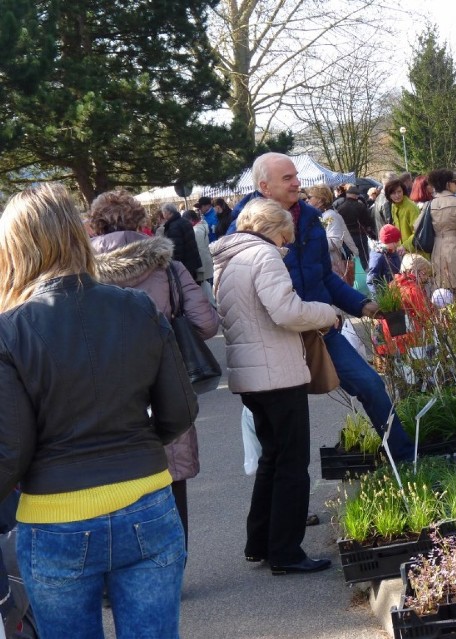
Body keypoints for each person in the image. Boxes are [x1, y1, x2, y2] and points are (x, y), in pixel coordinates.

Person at [0, 183, 197, 638]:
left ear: (16, 248)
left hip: (55, 519)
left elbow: (10, 448)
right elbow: (179, 412)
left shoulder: (11, 331)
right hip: (146, 501)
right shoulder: (138, 307)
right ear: (75, 233)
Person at [226, 153, 416, 462]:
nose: (296, 182)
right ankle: (286, 508)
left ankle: (405, 458)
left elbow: (323, 276)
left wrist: (362, 304)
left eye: (295, 176)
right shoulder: (246, 227)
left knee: (369, 384)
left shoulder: (310, 218)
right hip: (277, 340)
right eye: (287, 178)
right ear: (264, 185)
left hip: (321, 331)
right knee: (285, 434)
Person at [212, 197, 338, 575]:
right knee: (292, 463)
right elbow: (286, 311)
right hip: (275, 373)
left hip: (251, 376)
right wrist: (326, 312)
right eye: (285, 235)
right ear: (272, 230)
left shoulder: (230, 260)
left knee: (272, 457)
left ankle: (262, 542)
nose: (287, 244)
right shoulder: (264, 256)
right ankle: (286, 551)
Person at [89, 190, 219, 551]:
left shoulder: (79, 274)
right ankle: (173, 565)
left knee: (114, 483)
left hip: (102, 390)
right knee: (172, 475)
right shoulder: (168, 267)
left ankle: (123, 570)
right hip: (165, 384)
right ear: (141, 223)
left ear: (95, 225)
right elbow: (206, 325)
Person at [427, 169, 456, 296]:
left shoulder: (431, 204)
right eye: (454, 182)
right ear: (448, 184)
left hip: (437, 248)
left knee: (442, 289)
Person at [307, 184, 358, 286]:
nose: (307, 200)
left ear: (320, 200)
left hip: (334, 262)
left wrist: (312, 241)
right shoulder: (321, 215)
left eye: (310, 197)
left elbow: (336, 242)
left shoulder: (330, 215)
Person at [159, 202, 203, 280]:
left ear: (168, 212)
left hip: (183, 266)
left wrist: (175, 266)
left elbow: (176, 249)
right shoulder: (185, 221)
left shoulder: (173, 226)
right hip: (192, 262)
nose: (163, 214)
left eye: (163, 212)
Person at [337, 185, 375, 270]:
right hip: (360, 235)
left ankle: (350, 278)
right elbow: (368, 221)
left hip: (346, 237)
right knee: (364, 258)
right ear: (356, 195)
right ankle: (366, 277)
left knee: (348, 259)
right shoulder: (361, 206)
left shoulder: (340, 208)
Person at [385, 178, 422, 254]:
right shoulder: (394, 206)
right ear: (389, 195)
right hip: (402, 250)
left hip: (415, 251)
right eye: (393, 193)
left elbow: (418, 232)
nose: (397, 195)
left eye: (399, 192)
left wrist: (405, 246)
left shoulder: (411, 207)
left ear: (403, 191)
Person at [367, 224, 403, 295]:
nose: (398, 243)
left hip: (397, 290)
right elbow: (372, 281)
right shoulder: (378, 257)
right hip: (387, 295)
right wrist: (381, 299)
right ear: (388, 242)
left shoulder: (392, 250)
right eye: (396, 241)